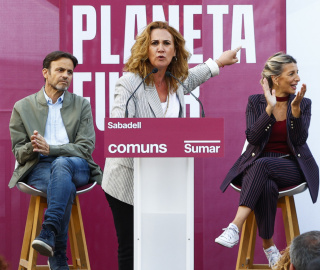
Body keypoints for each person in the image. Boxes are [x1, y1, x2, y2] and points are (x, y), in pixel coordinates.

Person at [101, 21, 240, 270]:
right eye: (155, 43)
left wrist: (219, 62)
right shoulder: (130, 83)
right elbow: (119, 131)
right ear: (146, 49)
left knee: (161, 243)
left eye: (167, 43)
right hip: (128, 180)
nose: (161, 48)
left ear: (175, 51)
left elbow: (194, 76)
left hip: (165, 181)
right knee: (131, 247)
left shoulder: (175, 81)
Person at [215, 52, 320, 267]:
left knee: (260, 166)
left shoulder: (303, 103)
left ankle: (235, 226)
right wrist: (269, 109)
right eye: (291, 74)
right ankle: (270, 247)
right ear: (276, 78)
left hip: (292, 166)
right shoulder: (256, 102)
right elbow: (253, 137)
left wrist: (296, 111)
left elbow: (300, 140)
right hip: (260, 168)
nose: (297, 78)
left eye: (297, 73)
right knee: (267, 186)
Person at [9, 51, 102, 270]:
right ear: (45, 73)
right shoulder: (23, 107)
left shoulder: (81, 105)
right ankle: (57, 252)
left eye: (70, 72)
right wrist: (35, 147)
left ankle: (49, 230)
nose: (66, 76)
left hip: (77, 164)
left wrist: (52, 149)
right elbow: (18, 153)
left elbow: (86, 148)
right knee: (62, 184)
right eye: (60, 70)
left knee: (62, 164)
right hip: (39, 166)